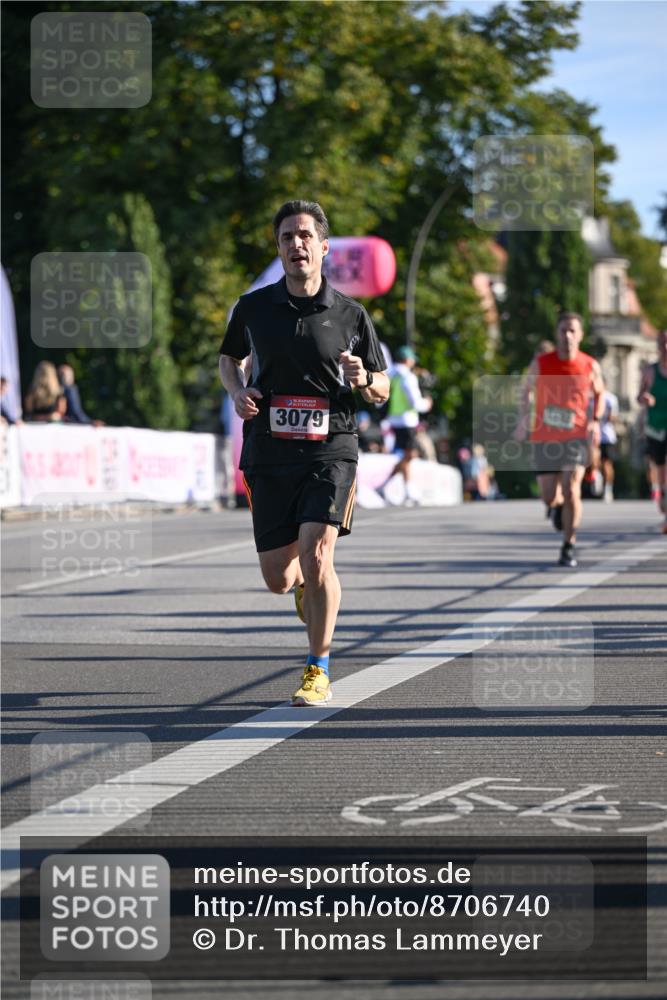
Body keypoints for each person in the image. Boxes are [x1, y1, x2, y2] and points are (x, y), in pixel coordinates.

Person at [219, 200, 389, 706]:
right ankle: (302, 593)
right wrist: (235, 391)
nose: (296, 244)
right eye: (287, 237)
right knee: (279, 578)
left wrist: (366, 379)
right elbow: (230, 358)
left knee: (318, 555)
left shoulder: (351, 315)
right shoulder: (252, 307)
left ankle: (318, 668)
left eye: (305, 236)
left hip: (330, 450)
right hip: (269, 453)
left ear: (323, 247)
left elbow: (381, 388)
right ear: (279, 248)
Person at [515, 313, 605, 567]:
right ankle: (556, 508)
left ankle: (569, 545)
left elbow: (600, 394)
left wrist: (595, 421)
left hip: (575, 436)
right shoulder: (542, 363)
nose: (567, 335)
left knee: (572, 487)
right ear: (556, 334)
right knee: (549, 495)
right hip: (545, 437)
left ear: (580, 335)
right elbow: (525, 390)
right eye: (563, 330)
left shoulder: (589, 365)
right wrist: (524, 418)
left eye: (572, 331)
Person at [375, 345, 432, 506]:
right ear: (407, 359)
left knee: (407, 456)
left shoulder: (390, 374)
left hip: (393, 420)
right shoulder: (407, 376)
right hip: (407, 421)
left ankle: (387, 486)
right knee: (410, 455)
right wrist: (427, 404)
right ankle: (407, 490)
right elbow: (416, 403)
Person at [637, 328, 667, 533]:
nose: (665, 347)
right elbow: (639, 396)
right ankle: (663, 496)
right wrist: (645, 398)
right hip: (655, 428)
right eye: (662, 342)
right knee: (660, 471)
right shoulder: (650, 370)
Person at [598, 389, 619, 502]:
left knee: (606, 463)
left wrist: (603, 414)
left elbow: (614, 417)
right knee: (593, 460)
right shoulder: (589, 396)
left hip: (607, 436)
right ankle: (596, 476)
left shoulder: (610, 398)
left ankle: (608, 489)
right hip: (592, 435)